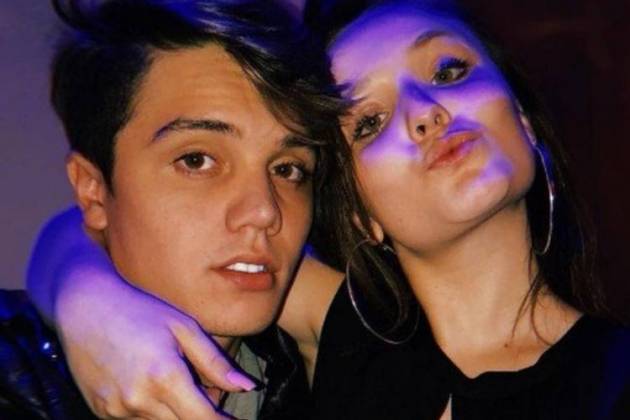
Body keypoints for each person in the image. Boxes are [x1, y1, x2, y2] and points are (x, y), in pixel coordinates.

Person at [26, 0, 630, 418]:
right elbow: (98, 225)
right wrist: (88, 301)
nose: (426, 111)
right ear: (358, 210)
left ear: (523, 121)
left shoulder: (614, 377)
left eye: (449, 71)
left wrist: (81, 294)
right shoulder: (347, 336)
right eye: (369, 122)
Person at [0, 0, 358, 418]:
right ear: (93, 191)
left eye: (287, 169)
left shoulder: (334, 377)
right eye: (197, 160)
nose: (265, 212)